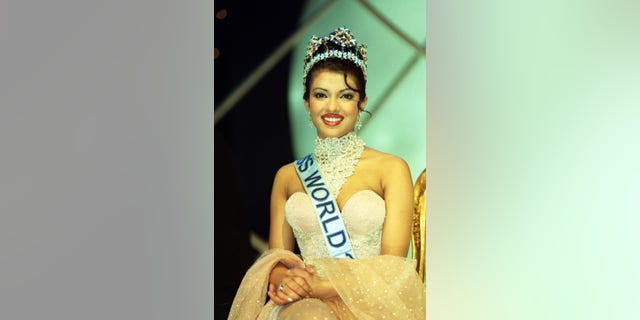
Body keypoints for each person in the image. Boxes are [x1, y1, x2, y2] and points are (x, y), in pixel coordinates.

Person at [228, 26, 426, 320]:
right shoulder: (288, 176)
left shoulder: (392, 168)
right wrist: (284, 281)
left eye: (345, 96)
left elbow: (393, 265)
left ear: (362, 104)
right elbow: (277, 258)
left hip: (371, 303)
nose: (332, 107)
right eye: (321, 95)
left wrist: (324, 286)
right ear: (307, 103)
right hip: (301, 302)